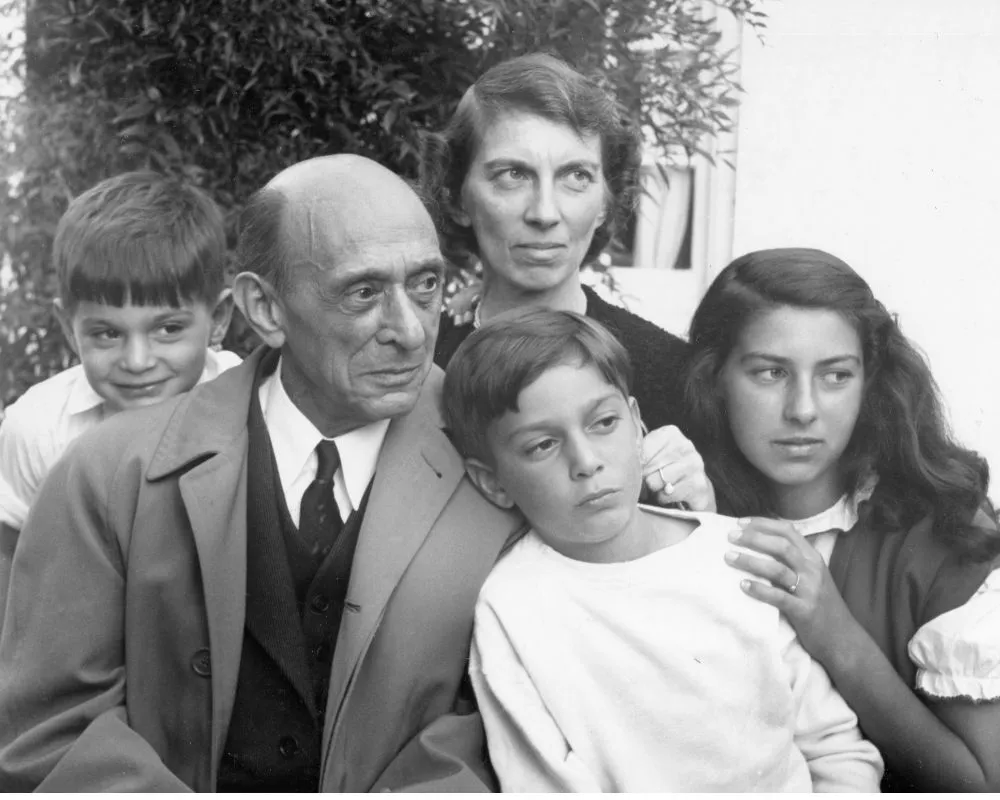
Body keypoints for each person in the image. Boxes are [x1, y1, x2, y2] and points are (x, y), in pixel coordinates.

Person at [0, 155, 525, 791]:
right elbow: (53, 728)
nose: (411, 332)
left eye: (426, 285)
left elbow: (516, 724)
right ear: (264, 309)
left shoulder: (503, 462)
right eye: (363, 292)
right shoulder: (107, 475)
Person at [441, 308, 884, 792]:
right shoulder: (511, 605)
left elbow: (836, 748)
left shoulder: (736, 554)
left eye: (604, 422)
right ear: (492, 481)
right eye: (543, 445)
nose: (586, 462)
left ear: (637, 423)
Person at [684, 247, 1000, 791]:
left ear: (868, 382)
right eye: (770, 372)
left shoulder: (947, 529)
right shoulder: (689, 513)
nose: (803, 409)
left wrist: (833, 632)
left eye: (834, 376)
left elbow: (981, 785)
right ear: (716, 377)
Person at [421, 52, 711, 511]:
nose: (544, 213)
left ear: (605, 204)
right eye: (512, 175)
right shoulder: (419, 366)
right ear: (456, 197)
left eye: (576, 176)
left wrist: (700, 512)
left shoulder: (671, 376)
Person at [0, 170, 239, 615]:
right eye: (107, 334)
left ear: (219, 318)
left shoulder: (249, 408)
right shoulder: (36, 427)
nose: (137, 361)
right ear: (69, 331)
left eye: (168, 329)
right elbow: (10, 557)